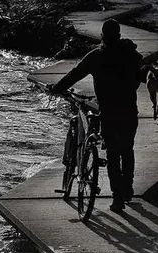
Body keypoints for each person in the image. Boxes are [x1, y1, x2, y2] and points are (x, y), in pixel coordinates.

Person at [48, 19, 142, 212]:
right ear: (119, 36)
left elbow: (74, 75)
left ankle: (117, 197)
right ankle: (127, 188)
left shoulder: (96, 57)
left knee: (113, 155)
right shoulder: (130, 55)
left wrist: (56, 88)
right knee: (127, 150)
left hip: (109, 112)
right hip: (129, 110)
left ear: (102, 36)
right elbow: (137, 80)